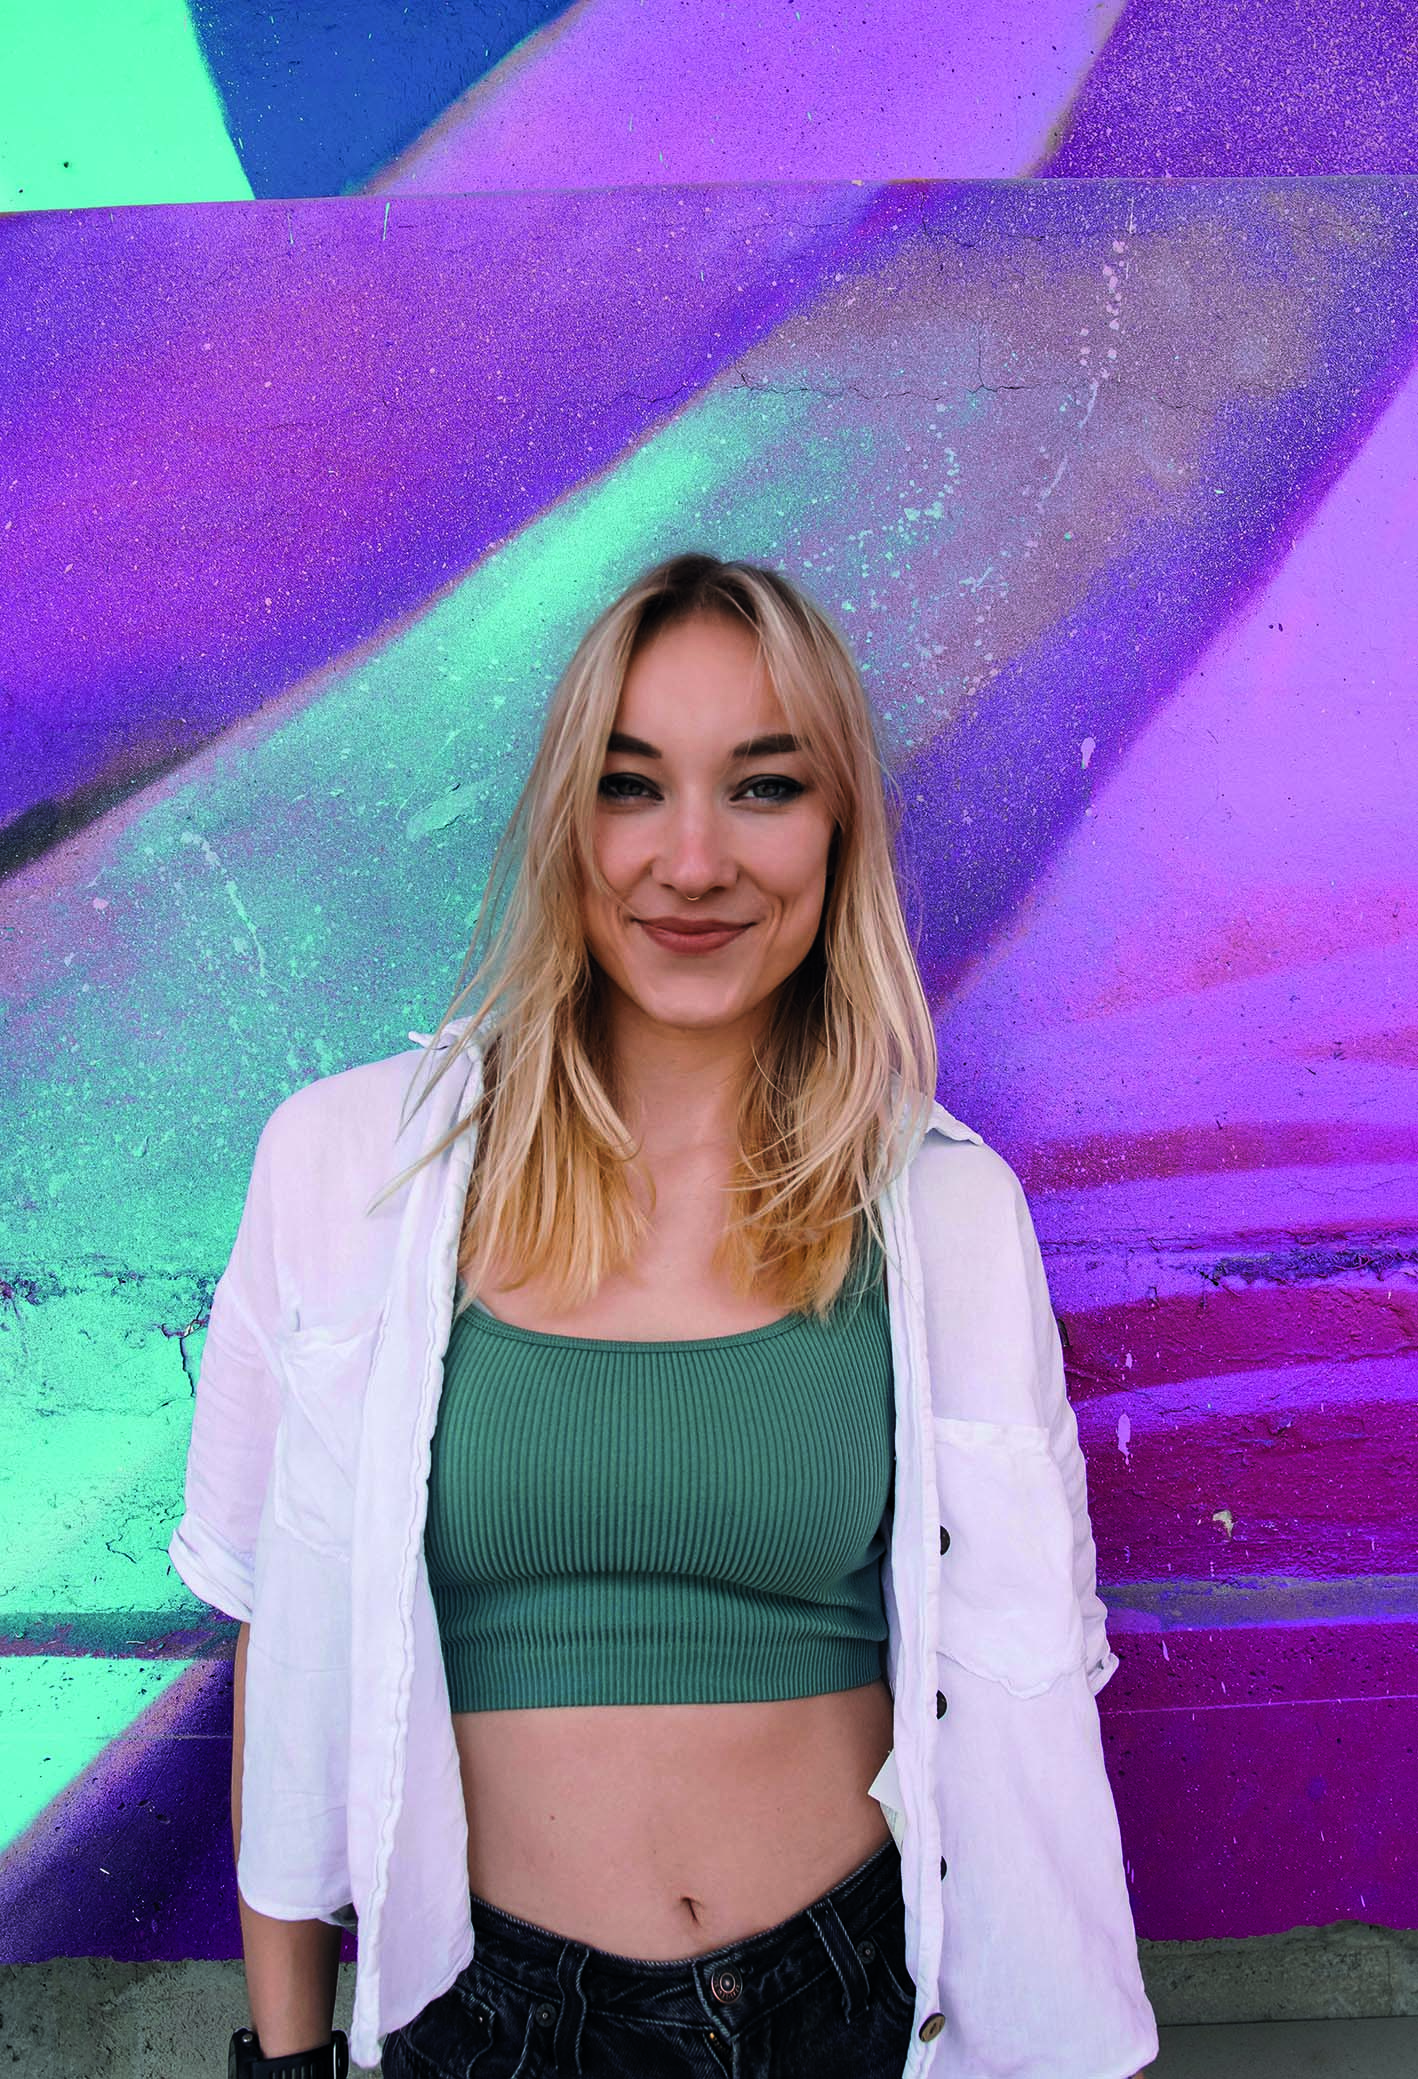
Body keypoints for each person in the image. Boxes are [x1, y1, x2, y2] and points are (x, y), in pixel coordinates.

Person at [171, 553, 1159, 2077]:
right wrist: (291, 2059)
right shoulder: (349, 1171)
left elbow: (1027, 1699)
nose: (692, 861)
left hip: (849, 2000)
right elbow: (277, 1638)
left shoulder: (949, 1216)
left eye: (763, 787)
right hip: (485, 2017)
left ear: (838, 828)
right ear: (566, 824)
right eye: (630, 787)